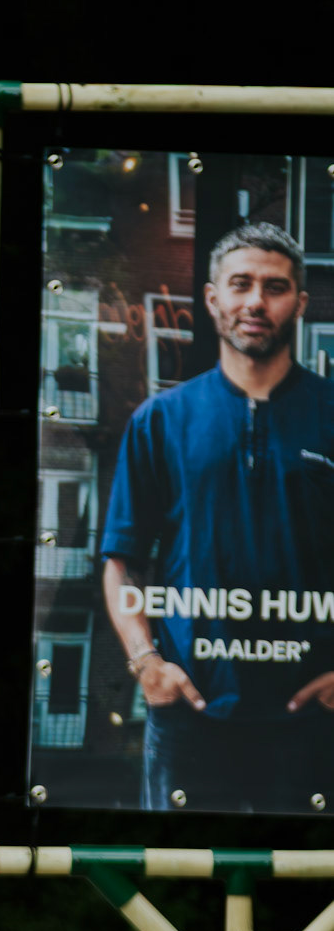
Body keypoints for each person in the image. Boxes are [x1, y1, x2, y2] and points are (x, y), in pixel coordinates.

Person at [101, 221, 334, 813]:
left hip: (312, 719)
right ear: (212, 299)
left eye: (275, 287)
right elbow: (121, 563)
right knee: (178, 889)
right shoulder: (162, 420)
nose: (256, 301)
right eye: (241, 284)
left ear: (300, 304)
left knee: (308, 898)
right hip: (189, 715)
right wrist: (147, 664)